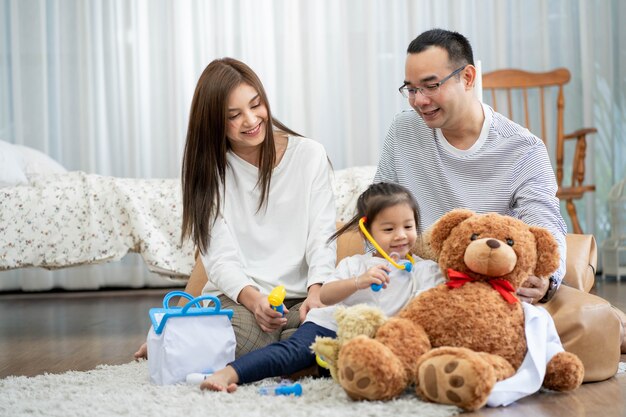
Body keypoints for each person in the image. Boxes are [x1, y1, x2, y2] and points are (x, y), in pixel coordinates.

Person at [374, 28, 625, 379]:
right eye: (411, 89)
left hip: (493, 286)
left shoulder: (523, 148)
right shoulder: (403, 132)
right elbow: (378, 205)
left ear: (467, 77)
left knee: (589, 330)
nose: (418, 100)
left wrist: (546, 278)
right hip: (421, 278)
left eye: (430, 86)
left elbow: (545, 222)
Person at [135, 57, 337, 360]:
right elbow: (218, 258)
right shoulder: (210, 172)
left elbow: (322, 234)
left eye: (256, 105)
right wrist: (255, 301)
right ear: (214, 123)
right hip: (238, 298)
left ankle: (279, 348)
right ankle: (181, 337)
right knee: (256, 342)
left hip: (302, 296)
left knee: (331, 327)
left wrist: (317, 292)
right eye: (234, 115)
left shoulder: (309, 154)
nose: (251, 120)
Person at [199, 182, 444, 392]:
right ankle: (228, 374)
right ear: (366, 231)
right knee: (292, 353)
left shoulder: (424, 270)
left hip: (380, 339)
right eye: (389, 229)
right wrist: (358, 282)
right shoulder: (356, 265)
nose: (401, 235)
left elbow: (431, 307)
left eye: (408, 227)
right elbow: (325, 296)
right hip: (330, 324)